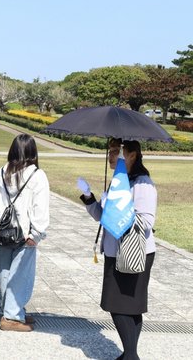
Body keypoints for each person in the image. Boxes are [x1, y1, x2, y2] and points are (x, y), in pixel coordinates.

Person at [79, 139, 156, 360]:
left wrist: (119, 210)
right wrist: (89, 197)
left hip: (134, 253)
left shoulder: (142, 184)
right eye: (110, 151)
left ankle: (131, 356)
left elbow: (146, 222)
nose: (111, 156)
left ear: (132, 155)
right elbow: (102, 218)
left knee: (122, 305)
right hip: (115, 252)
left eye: (116, 152)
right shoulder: (119, 181)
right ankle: (129, 354)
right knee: (127, 306)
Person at [0, 134, 50, 332]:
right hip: (24, 233)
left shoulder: (0, 173)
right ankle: (13, 315)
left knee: (5, 272)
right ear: (33, 152)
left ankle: (11, 309)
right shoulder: (37, 175)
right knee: (20, 275)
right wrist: (37, 233)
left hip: (3, 231)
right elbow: (40, 207)